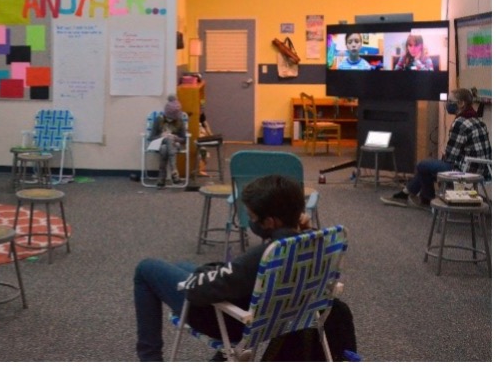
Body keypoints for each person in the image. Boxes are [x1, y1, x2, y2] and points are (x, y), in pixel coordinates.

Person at [134, 175, 351, 361]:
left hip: (232, 322)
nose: (250, 220)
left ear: (270, 222)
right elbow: (233, 274)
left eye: (252, 216)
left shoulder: (263, 257)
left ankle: (150, 358)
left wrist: (212, 270)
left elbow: (196, 290)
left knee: (146, 269)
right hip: (281, 316)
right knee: (181, 266)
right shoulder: (316, 242)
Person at [381, 88, 491, 209]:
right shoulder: (478, 120)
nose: (447, 104)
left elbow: (450, 156)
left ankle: (425, 199)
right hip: (484, 170)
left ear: (461, 103)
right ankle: (406, 195)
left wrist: (440, 160)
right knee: (427, 167)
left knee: (423, 165)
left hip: (466, 170)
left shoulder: (460, 122)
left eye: (450, 101)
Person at [149, 95, 187, 188]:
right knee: (164, 147)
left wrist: (175, 137)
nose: (170, 119)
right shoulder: (159, 120)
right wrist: (161, 136)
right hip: (160, 143)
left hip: (176, 145)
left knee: (166, 146)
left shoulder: (180, 121)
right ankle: (174, 171)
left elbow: (184, 139)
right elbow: (151, 137)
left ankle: (161, 178)